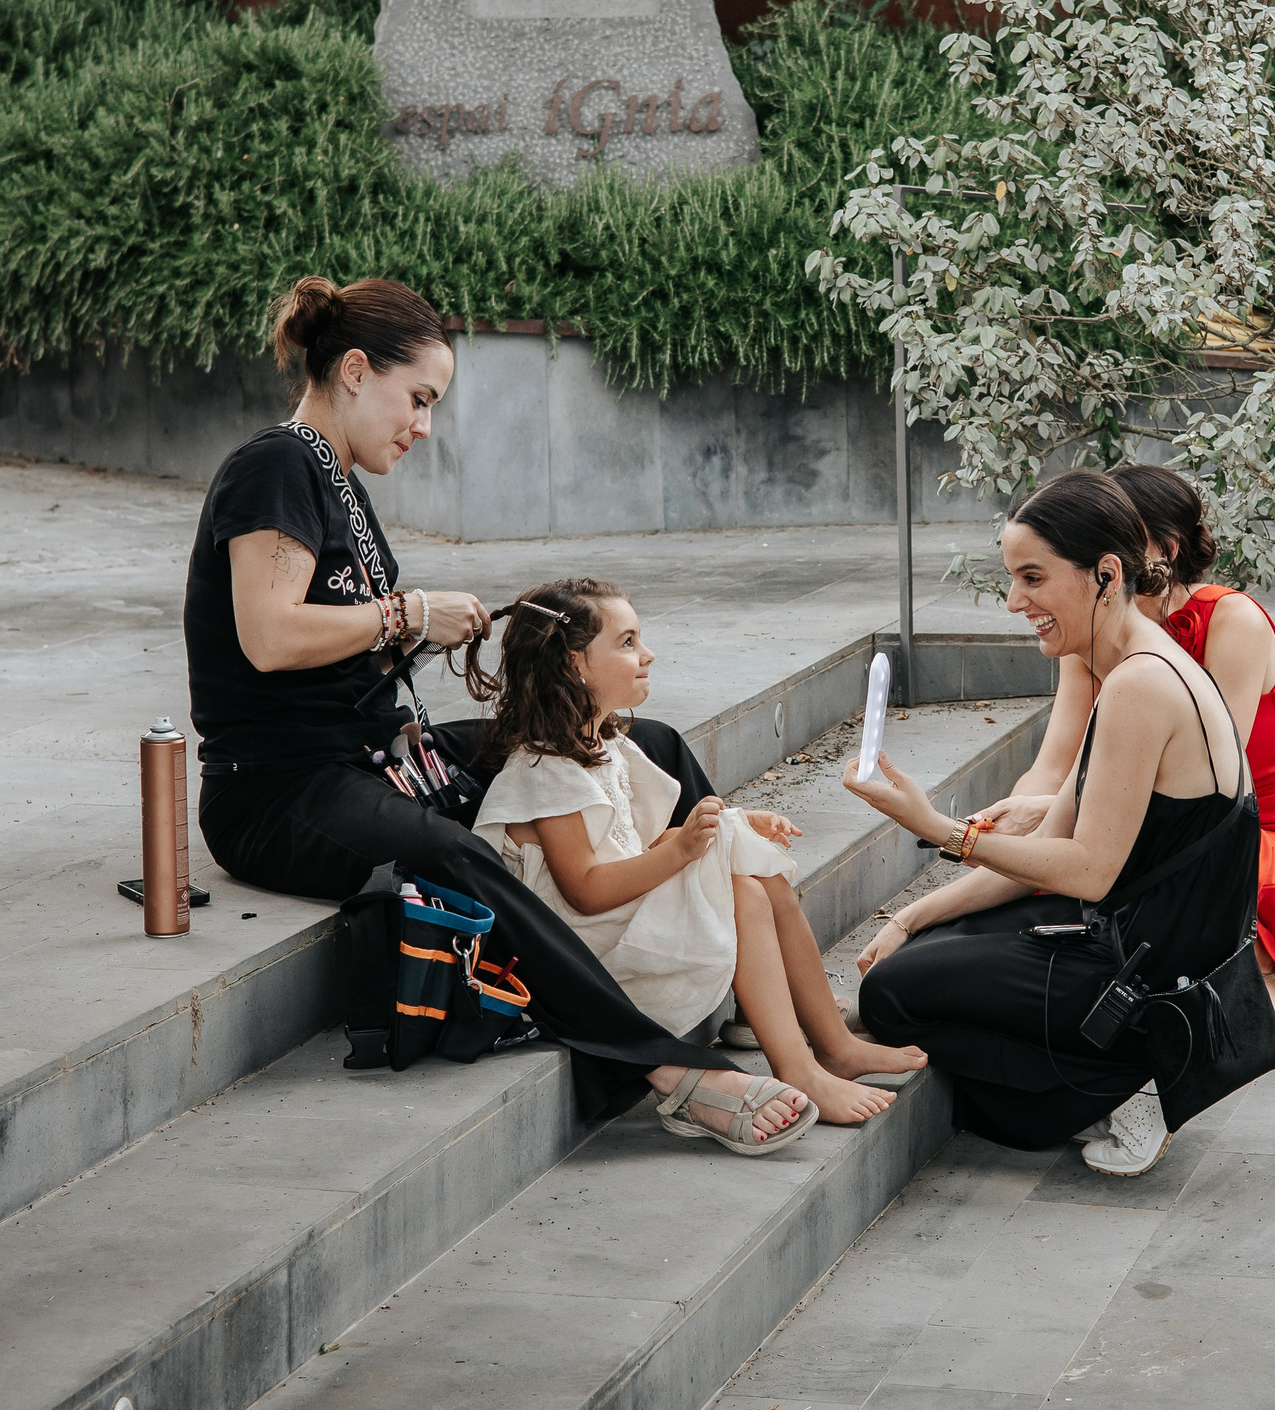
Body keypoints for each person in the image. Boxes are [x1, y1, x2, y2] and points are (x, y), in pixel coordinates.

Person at [188, 274, 811, 1153]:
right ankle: (668, 1068)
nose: (424, 425)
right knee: (454, 854)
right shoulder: (276, 465)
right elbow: (268, 635)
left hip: (374, 754)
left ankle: (740, 967)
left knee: (632, 736)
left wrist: (421, 634)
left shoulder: (338, 480)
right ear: (356, 370)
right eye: (419, 398)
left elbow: (333, 640)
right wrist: (408, 615)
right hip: (277, 791)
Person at [839, 470, 1275, 1177]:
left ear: (1105, 574)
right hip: (1135, 944)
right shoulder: (1135, 663)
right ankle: (1100, 1066)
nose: (1016, 601)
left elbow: (1088, 869)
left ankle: (1128, 1078)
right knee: (920, 953)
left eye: (1033, 578)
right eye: (1013, 578)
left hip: (1138, 979)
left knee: (889, 995)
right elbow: (1051, 843)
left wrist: (941, 829)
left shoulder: (1139, 683)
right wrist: (912, 917)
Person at [464, 578, 927, 1127]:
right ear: (573, 665)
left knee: (756, 875)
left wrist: (731, 826)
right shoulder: (545, 773)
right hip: (586, 961)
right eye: (628, 642)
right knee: (746, 894)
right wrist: (685, 848)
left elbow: (634, 849)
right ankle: (800, 1066)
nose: (647, 653)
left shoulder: (602, 744)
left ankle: (832, 1043)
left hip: (612, 922)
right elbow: (586, 891)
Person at [981, 463, 1275, 1021]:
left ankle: (1241, 980)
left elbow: (1214, 794)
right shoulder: (1092, 630)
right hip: (1161, 827)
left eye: (1123, 531)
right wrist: (1013, 834)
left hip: (1268, 838)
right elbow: (1052, 767)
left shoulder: (1231, 620)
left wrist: (1050, 821)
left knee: (1128, 863)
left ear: (1165, 550)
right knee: (1062, 866)